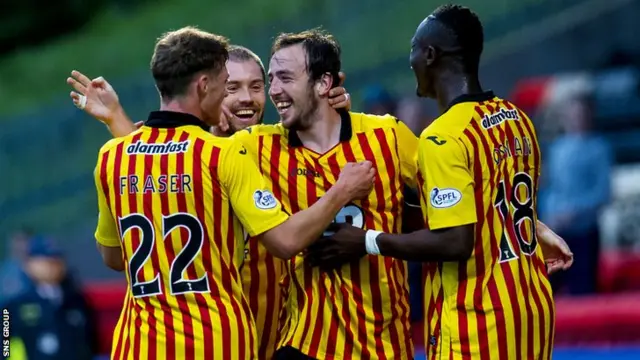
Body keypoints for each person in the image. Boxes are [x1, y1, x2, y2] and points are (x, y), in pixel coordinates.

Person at [70, 27, 572, 360]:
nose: (270, 94)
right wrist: (118, 120)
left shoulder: (388, 135)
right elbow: (171, 164)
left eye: (280, 79)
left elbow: (464, 189)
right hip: (305, 343)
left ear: (326, 83)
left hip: (387, 344)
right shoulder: (253, 148)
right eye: (264, 83)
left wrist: (534, 227)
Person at [89, 26, 374, 360]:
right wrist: (341, 191)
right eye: (227, 84)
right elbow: (285, 242)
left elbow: (113, 257)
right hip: (214, 341)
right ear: (204, 86)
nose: (232, 95)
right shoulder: (221, 155)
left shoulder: (112, 156)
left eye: (256, 85)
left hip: (138, 345)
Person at [311, 5, 573, 359]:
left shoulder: (443, 138)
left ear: (431, 55)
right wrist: (536, 228)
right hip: (532, 306)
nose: (411, 62)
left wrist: (367, 241)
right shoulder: (517, 119)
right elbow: (492, 198)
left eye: (414, 50)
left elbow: (455, 241)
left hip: (478, 319)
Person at [542, 94, 611, 294]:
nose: (576, 118)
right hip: (556, 233)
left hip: (584, 233)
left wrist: (574, 212)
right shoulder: (557, 149)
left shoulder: (599, 148)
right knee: (549, 291)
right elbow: (551, 189)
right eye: (572, 113)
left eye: (580, 113)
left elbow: (602, 193)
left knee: (583, 291)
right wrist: (549, 216)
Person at [5, 236, 96, 360]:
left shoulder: (77, 301)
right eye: (45, 260)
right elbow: (5, 344)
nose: (52, 265)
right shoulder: (14, 306)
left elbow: (92, 342)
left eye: (56, 259)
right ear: (29, 264)